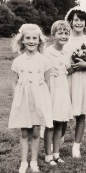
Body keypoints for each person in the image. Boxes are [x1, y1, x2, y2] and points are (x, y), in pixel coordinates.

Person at [9, 24, 53, 173]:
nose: (31, 41)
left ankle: (33, 162)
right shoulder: (18, 61)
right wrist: (17, 100)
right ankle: (23, 162)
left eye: (35, 38)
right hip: (24, 100)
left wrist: (47, 102)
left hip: (39, 99)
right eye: (28, 38)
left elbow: (48, 83)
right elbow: (14, 82)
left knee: (35, 131)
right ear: (22, 40)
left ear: (39, 41)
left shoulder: (44, 60)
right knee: (24, 132)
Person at [64, 7, 86, 158]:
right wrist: (66, 68)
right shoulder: (64, 38)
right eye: (76, 19)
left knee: (81, 114)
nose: (79, 23)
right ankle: (60, 137)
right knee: (63, 111)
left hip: (83, 80)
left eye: (82, 20)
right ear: (70, 21)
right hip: (66, 79)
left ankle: (76, 146)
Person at [43, 20, 73, 165]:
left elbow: (67, 68)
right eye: (60, 33)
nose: (63, 36)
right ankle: (48, 155)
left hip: (62, 89)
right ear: (53, 35)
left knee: (60, 122)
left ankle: (56, 153)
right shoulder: (47, 52)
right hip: (51, 89)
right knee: (50, 123)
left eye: (66, 33)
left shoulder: (67, 52)